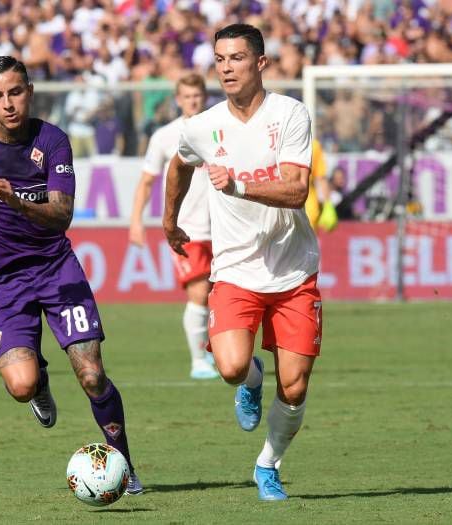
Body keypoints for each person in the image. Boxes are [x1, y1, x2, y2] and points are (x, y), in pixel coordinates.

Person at [0, 56, 143, 495]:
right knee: (21, 385)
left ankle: (124, 463)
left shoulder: (53, 141)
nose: (8, 103)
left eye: (15, 92)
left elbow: (62, 215)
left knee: (92, 374)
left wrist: (17, 203)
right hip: (2, 281)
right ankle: (40, 386)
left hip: (56, 270)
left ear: (29, 91)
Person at [163, 24, 322, 501]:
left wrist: (237, 185)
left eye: (236, 58)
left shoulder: (291, 114)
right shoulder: (202, 126)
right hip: (234, 269)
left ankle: (267, 464)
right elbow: (179, 165)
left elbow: (297, 191)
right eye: (220, 59)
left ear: (260, 63)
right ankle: (251, 377)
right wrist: (170, 222)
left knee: (293, 390)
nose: (227, 67)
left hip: (293, 271)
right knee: (231, 367)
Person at [129, 72, 217, 380]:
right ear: (178, 100)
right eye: (187, 97)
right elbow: (146, 182)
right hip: (187, 230)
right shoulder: (165, 136)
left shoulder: (219, 128)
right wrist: (136, 221)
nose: (193, 101)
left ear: (204, 97)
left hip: (224, 229)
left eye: (197, 96)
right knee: (200, 292)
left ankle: (217, 354)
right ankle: (199, 361)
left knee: (221, 296)